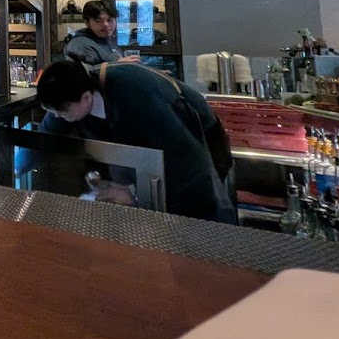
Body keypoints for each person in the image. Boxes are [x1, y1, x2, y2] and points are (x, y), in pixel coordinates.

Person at [36, 59, 234, 222]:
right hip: (160, 151)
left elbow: (183, 162)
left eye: (60, 112)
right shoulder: (69, 96)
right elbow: (45, 135)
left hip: (196, 140)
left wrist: (134, 195)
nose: (56, 116)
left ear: (86, 98)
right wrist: (22, 164)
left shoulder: (136, 96)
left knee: (199, 215)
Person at [64, 0, 136, 70]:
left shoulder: (108, 40)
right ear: (87, 23)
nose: (106, 24)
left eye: (109, 20)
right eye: (98, 21)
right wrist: (117, 65)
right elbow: (83, 74)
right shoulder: (79, 45)